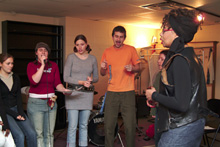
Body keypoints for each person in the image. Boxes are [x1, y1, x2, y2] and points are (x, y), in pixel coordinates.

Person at [145, 8, 207, 147]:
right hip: (191, 123)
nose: (160, 34)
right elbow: (183, 95)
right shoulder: (189, 56)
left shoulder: (179, 59)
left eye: (164, 29)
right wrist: (159, 100)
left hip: (182, 127)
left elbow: (181, 104)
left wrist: (154, 95)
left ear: (175, 31)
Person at [100, 26, 140, 147]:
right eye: (116, 36)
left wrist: (132, 68)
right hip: (112, 92)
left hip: (128, 91)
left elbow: (139, 67)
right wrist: (102, 67)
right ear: (113, 37)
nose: (118, 39)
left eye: (121, 37)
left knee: (130, 126)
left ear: (124, 38)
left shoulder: (131, 50)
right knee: (108, 125)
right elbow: (102, 73)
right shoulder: (107, 51)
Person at [27, 42, 69, 147]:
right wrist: (42, 65)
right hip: (36, 103)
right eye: (40, 50)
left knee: (49, 133)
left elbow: (57, 83)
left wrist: (63, 89)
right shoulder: (31, 65)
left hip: (51, 102)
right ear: (36, 53)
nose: (43, 51)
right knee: (39, 134)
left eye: (45, 50)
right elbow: (34, 81)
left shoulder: (53, 65)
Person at [64, 34, 99, 147]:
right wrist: (82, 82)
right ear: (75, 45)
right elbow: (66, 78)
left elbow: (96, 78)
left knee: (84, 125)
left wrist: (91, 79)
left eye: (82, 44)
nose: (80, 47)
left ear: (86, 45)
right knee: (73, 126)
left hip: (87, 96)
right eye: (77, 45)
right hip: (73, 95)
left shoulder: (92, 58)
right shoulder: (71, 57)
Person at [0, 53, 37, 147]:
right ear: (0, 64)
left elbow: (18, 98)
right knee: (19, 136)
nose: (11, 66)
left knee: (32, 133)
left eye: (12, 63)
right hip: (5, 112)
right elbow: (1, 105)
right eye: (8, 63)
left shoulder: (15, 77)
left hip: (17, 109)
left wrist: (20, 113)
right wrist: (15, 115)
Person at [145, 50, 168, 143]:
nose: (158, 61)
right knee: (158, 138)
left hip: (167, 114)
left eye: (162, 59)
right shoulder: (159, 74)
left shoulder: (171, 76)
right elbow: (155, 94)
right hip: (159, 111)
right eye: (159, 59)